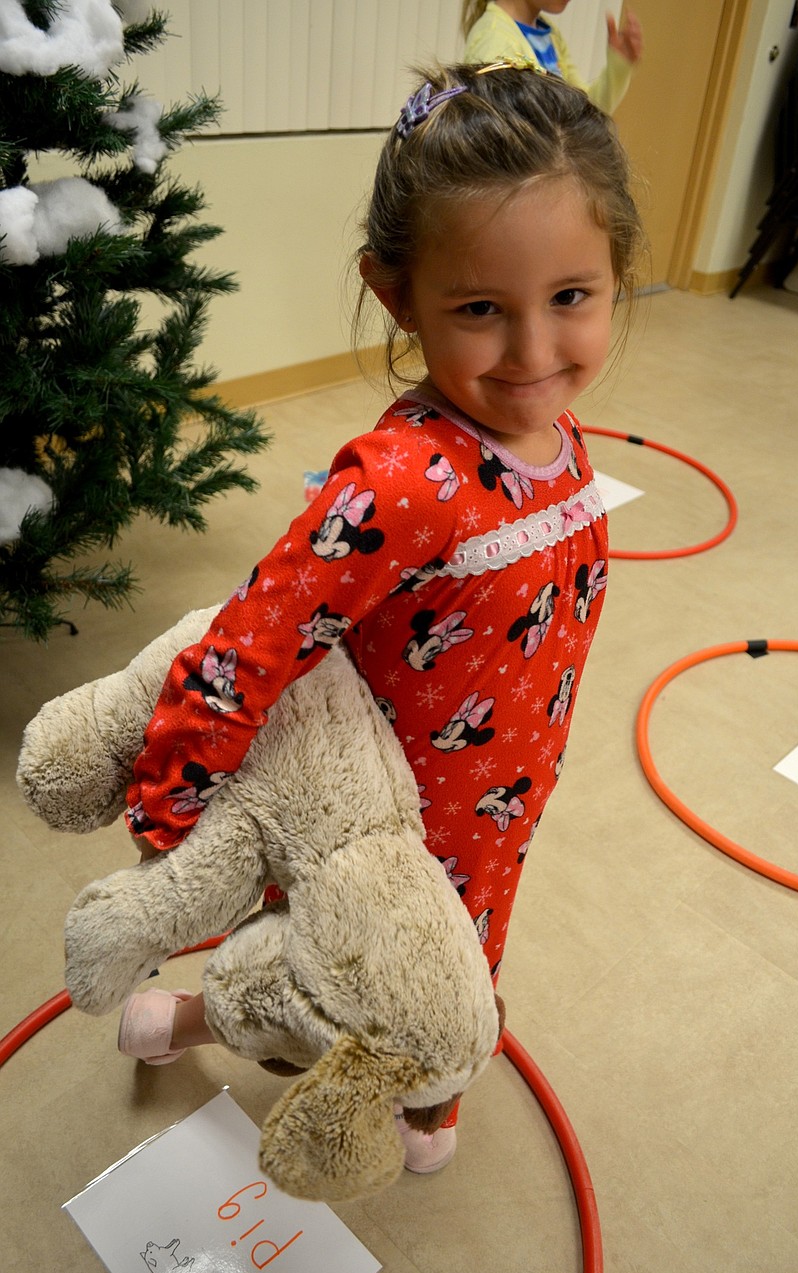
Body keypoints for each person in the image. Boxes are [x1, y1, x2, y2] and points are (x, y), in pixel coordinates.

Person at [117, 63, 643, 1176]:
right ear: (397, 295)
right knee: (321, 971)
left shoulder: (565, 441)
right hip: (377, 818)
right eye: (479, 311)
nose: (536, 356)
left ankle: (430, 1072)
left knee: (452, 958)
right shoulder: (402, 481)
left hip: (499, 803)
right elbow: (255, 633)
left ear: (614, 277)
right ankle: (199, 1017)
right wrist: (175, 796)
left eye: (571, 298)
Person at [462, 1, 643, 114]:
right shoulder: (493, 39)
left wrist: (618, 68)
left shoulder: (549, 34)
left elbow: (584, 113)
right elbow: (499, 136)